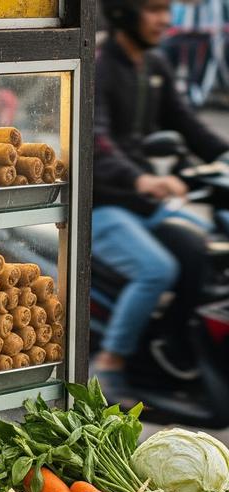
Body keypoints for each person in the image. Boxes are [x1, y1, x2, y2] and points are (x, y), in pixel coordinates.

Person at [92, 0, 229, 400]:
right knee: (156, 269)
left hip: (143, 204)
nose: (165, 20)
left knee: (205, 249)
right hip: (103, 204)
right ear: (123, 13)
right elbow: (98, 142)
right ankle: (111, 362)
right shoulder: (102, 66)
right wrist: (143, 179)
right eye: (153, 9)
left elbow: (186, 123)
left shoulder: (153, 65)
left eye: (166, 9)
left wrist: (224, 156)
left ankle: (173, 345)